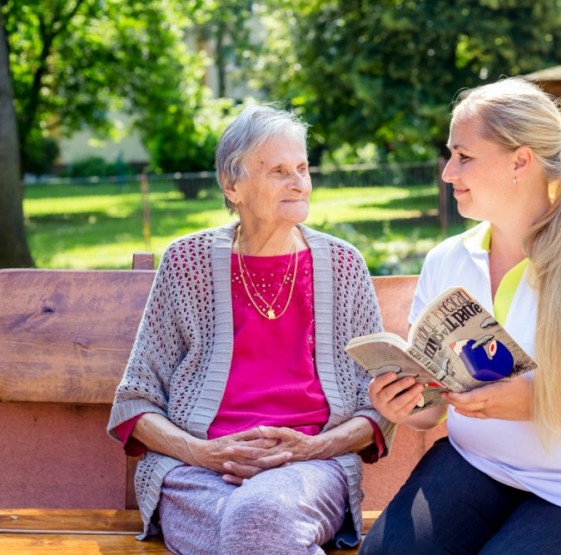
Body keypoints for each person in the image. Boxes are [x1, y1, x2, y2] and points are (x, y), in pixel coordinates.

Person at [362, 77, 561, 555]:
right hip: (480, 463)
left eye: (464, 156)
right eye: (450, 155)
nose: (448, 172)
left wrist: (538, 403)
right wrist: (407, 405)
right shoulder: (447, 260)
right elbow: (433, 409)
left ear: (521, 161)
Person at [107, 104, 394, 555]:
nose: (299, 182)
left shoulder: (342, 265)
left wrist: (310, 448)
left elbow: (375, 406)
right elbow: (135, 403)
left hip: (309, 470)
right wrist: (203, 453)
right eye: (279, 170)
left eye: (302, 167)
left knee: (256, 519)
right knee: (252, 529)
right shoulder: (187, 262)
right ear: (232, 185)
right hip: (196, 473)